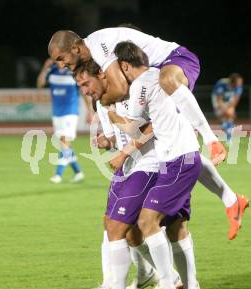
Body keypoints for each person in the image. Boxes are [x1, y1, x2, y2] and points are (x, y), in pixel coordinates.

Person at [74, 61, 184, 289]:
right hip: (128, 167)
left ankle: (115, 285)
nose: (84, 91)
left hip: (149, 163)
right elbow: (121, 133)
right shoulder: (102, 101)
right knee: (127, 232)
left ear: (102, 74)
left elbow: (153, 125)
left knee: (118, 227)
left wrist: (124, 153)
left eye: (86, 83)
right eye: (80, 86)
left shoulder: (131, 90)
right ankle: (165, 278)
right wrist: (107, 141)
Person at [47, 27, 227, 166]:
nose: (61, 65)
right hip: (153, 76)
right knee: (173, 147)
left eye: (61, 58)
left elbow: (119, 88)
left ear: (75, 48)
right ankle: (232, 200)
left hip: (175, 58)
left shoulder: (98, 46)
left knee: (167, 79)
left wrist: (103, 102)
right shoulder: (93, 57)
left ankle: (211, 139)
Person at [37, 58, 85, 183]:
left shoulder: (73, 72)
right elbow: (40, 84)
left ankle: (58, 175)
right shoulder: (52, 71)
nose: (58, 61)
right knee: (65, 145)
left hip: (70, 112)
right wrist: (44, 68)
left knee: (64, 142)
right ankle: (78, 172)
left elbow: (84, 91)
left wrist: (90, 111)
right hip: (57, 113)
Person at [211, 73, 243, 141]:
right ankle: (227, 129)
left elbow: (235, 100)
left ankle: (228, 133)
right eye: (238, 83)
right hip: (218, 99)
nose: (240, 84)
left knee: (229, 115)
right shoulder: (222, 84)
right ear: (233, 82)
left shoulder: (239, 86)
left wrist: (231, 110)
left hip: (228, 100)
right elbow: (219, 100)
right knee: (222, 116)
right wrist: (226, 112)